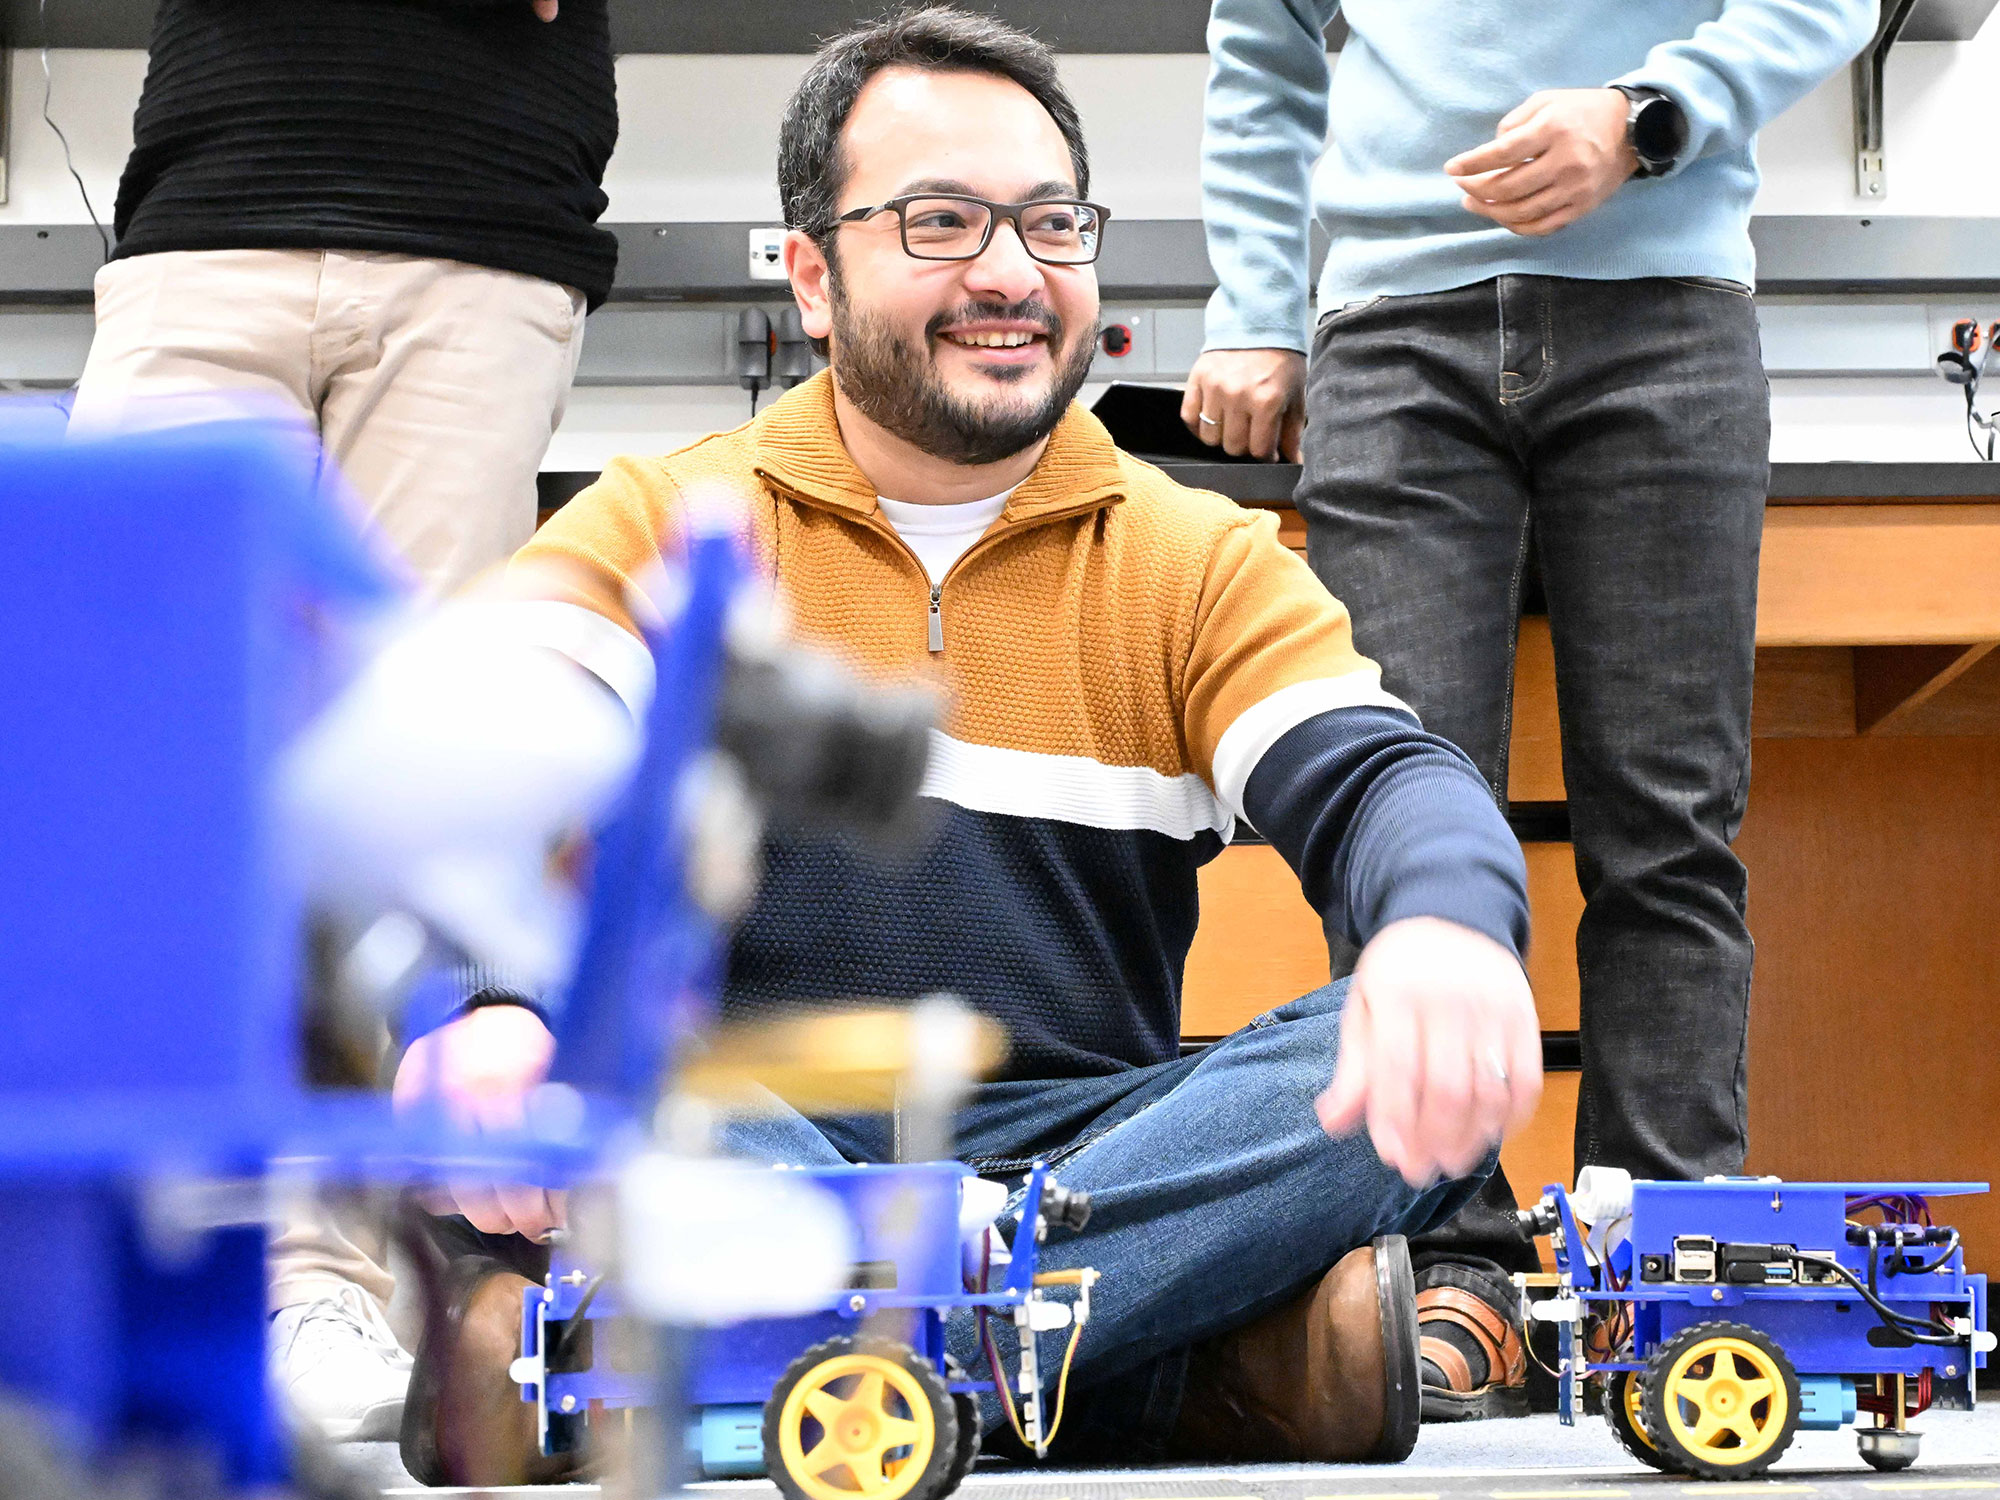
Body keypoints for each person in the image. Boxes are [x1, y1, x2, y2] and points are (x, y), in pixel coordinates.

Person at [383, 7, 1545, 1480]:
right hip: (745, 1126)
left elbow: (1387, 780)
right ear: (811, 273)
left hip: (1091, 1159)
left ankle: (776, 1361)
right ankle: (1140, 1367)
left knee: (1367, 1077)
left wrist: (1442, 931)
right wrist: (489, 1007)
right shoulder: (662, 524)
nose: (1011, 273)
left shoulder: (1195, 557)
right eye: (941, 222)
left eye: (1052, 224)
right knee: (549, 1091)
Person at [1183, 0, 1878, 1421]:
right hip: (1387, 339)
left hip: (1666, 318)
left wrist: (1645, 113)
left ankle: (1676, 1273)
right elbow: (1260, 47)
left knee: (1669, 833)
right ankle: (1455, 1267)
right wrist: (1256, 306)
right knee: (1392, 836)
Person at [66, 0, 620, 1444]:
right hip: (210, 217)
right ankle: (123, 1272)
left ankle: (314, 1283)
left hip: (479, 233)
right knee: (138, 773)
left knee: (407, 800)